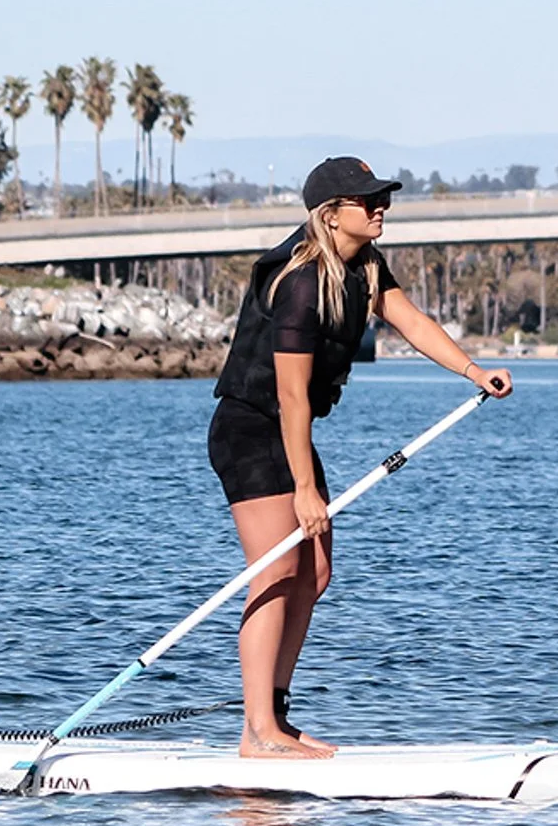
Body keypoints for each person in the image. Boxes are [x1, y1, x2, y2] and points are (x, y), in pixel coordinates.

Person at [207, 156, 514, 759]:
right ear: (330, 214)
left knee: (314, 573)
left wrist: (474, 371)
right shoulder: (297, 284)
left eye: (383, 199)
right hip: (250, 429)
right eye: (367, 200)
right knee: (276, 570)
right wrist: (304, 488)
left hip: (287, 433)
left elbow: (413, 322)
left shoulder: (364, 268)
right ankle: (258, 733)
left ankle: (275, 715)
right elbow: (291, 395)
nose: (380, 208)